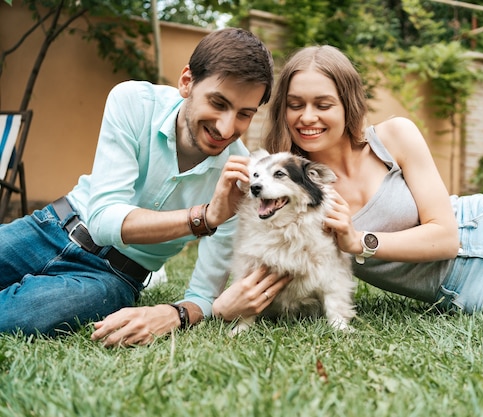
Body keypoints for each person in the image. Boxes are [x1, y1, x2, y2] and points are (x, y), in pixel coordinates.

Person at [262, 45, 483, 322]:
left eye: (322, 104)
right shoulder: (288, 194)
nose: (307, 117)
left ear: (347, 104)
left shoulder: (394, 137)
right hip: (481, 289)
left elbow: (445, 236)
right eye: (295, 105)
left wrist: (359, 242)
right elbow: (274, 274)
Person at [0, 28, 291, 346]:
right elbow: (104, 220)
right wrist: (205, 218)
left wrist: (174, 314)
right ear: (187, 82)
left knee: (17, 317)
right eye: (218, 103)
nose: (225, 127)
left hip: (111, 278)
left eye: (244, 114)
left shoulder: (243, 180)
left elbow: (205, 294)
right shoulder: (133, 101)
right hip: (49, 228)